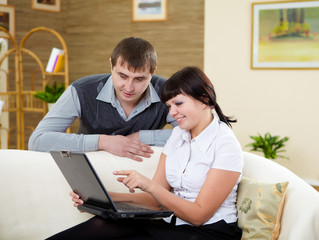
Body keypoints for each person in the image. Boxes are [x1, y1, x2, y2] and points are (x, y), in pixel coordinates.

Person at [46, 66, 244, 240]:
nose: (172, 112)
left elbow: (198, 216)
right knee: (100, 225)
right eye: (169, 106)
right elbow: (154, 202)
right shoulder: (177, 135)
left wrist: (149, 185)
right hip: (172, 225)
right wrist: (102, 198)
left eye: (179, 104)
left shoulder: (226, 145)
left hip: (209, 232)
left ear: (204, 100)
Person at [28, 37, 176, 161]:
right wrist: (103, 141)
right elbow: (37, 141)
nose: (129, 87)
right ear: (111, 65)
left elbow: (195, 136)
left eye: (139, 79)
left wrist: (141, 137)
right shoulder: (81, 90)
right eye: (122, 76)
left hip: (144, 180)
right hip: (91, 175)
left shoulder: (168, 91)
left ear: (152, 72)